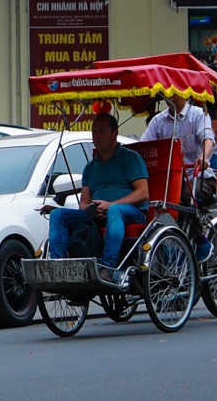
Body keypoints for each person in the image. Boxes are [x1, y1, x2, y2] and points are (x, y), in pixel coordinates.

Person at [45, 112, 150, 287]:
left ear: (115, 133)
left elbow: (143, 193)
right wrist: (92, 210)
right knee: (58, 215)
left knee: (115, 210)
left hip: (131, 212)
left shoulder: (130, 158)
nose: (96, 136)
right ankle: (59, 266)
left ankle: (107, 266)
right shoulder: (90, 167)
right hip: (97, 214)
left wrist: (110, 205)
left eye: (102, 131)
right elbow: (83, 204)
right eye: (94, 132)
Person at [143, 93, 213, 257]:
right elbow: (145, 145)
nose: (171, 97)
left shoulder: (197, 115)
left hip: (199, 177)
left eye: (175, 92)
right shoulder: (158, 121)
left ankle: (200, 239)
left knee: (182, 199)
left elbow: (208, 140)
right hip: (170, 180)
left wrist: (203, 157)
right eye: (167, 93)